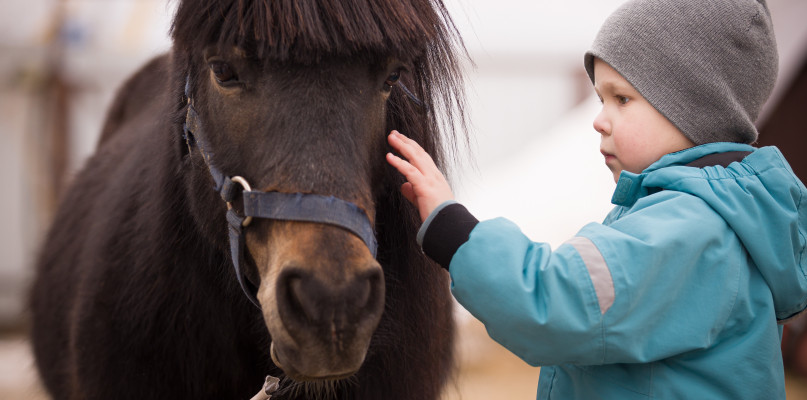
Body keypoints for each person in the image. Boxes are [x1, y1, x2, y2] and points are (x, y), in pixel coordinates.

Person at [384, 0, 807, 398]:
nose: (599, 119)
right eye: (602, 98)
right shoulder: (712, 217)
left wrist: (453, 229)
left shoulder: (688, 232)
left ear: (695, 109)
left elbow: (554, 301)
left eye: (622, 98)